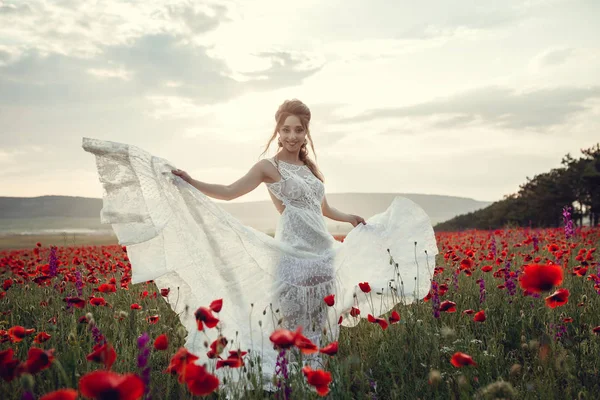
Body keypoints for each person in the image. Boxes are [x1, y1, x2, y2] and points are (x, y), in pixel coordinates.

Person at [82, 98, 438, 388]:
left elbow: (323, 206)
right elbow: (231, 192)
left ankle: (313, 377)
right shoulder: (269, 166)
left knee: (318, 317)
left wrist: (348, 218)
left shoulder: (311, 169)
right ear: (277, 131)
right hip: (291, 253)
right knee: (289, 318)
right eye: (286, 130)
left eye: (299, 130)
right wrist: (193, 182)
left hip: (322, 252)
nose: (293, 136)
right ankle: (287, 377)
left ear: (306, 132)